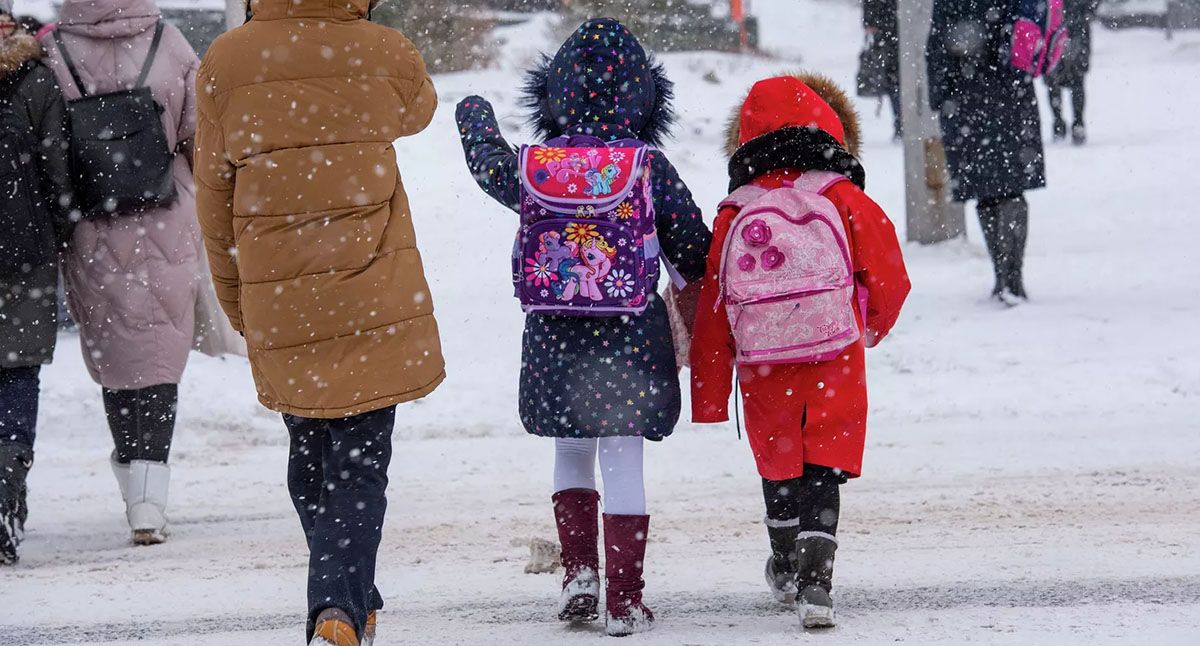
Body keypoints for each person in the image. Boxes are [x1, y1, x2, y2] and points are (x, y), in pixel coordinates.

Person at [195, 0, 444, 643]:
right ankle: (340, 600)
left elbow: (213, 197)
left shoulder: (227, 59)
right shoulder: (382, 48)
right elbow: (419, 109)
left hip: (282, 295)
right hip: (372, 286)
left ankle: (346, 593)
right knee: (359, 462)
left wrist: (236, 299)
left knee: (309, 456)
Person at [455, 18, 711, 637]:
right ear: (643, 98)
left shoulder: (538, 168)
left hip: (554, 333)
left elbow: (488, 165)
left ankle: (578, 578)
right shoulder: (647, 165)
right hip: (628, 332)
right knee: (623, 457)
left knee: (570, 449)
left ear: (555, 95)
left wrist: (474, 116)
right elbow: (695, 248)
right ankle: (624, 599)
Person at [690, 73, 911, 629]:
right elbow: (889, 273)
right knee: (823, 465)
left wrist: (711, 390)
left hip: (765, 359)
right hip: (833, 351)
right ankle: (818, 582)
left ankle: (785, 563)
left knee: (779, 460)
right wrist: (871, 325)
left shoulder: (737, 209)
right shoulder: (840, 196)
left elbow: (714, 307)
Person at [44, 0, 201, 546]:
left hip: (91, 224)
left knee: (116, 356)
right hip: (167, 218)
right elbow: (196, 135)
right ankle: (148, 496)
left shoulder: (52, 50)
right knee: (161, 350)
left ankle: (134, 480)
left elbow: (46, 146)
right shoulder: (171, 42)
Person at [0, 3, 75, 566]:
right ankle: (7, 487)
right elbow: (58, 172)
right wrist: (59, 232)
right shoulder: (37, 81)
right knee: (18, 373)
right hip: (24, 255)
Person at [926, 0, 1046, 304]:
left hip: (966, 100)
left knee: (987, 192)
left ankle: (1002, 276)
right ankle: (1012, 277)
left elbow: (938, 44)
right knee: (1011, 189)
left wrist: (939, 97)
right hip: (1011, 94)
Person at [1046, 0, 1100, 145]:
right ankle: (1069, 123)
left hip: (1066, 24)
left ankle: (1069, 123)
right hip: (1062, 23)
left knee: (1068, 79)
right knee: (1059, 78)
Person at [861, 0, 901, 139]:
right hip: (889, 29)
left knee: (894, 81)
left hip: (889, 29)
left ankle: (900, 122)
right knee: (894, 80)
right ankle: (900, 122)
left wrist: (869, 20)